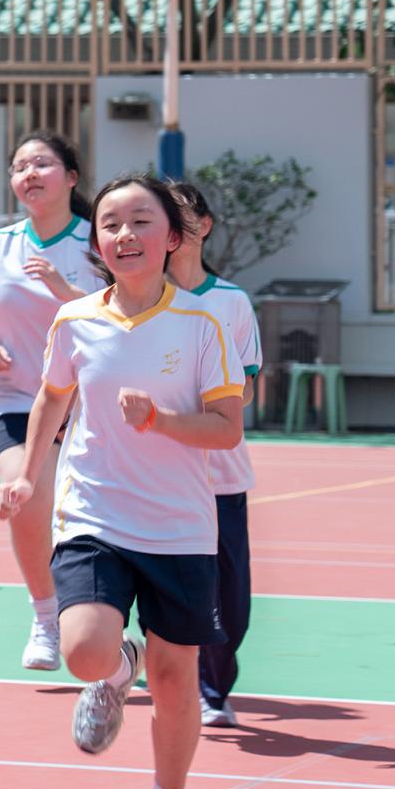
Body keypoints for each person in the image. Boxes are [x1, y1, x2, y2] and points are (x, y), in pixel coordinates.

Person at [0, 173, 246, 789]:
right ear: (97, 242)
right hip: (95, 513)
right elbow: (52, 398)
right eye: (110, 224)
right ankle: (115, 667)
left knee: (175, 677)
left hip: (180, 527)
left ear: (172, 237)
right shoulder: (75, 320)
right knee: (82, 651)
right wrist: (26, 475)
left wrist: (161, 420)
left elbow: (227, 428)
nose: (125, 235)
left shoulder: (203, 324)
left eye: (141, 221)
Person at [0, 131, 106, 669]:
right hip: (19, 399)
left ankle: (110, 626)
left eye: (41, 164)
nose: (29, 174)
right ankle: (45, 616)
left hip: (92, 406)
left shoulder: (99, 241)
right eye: (19, 167)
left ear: (71, 177)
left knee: (94, 523)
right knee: (24, 502)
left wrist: (67, 292)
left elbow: (128, 311)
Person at [167, 181, 262, 729]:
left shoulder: (230, 302)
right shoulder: (139, 297)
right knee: (164, 586)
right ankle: (184, 682)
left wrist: (205, 405)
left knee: (232, 604)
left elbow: (244, 389)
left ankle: (215, 683)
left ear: (203, 226)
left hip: (221, 476)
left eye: (181, 214)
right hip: (157, 474)